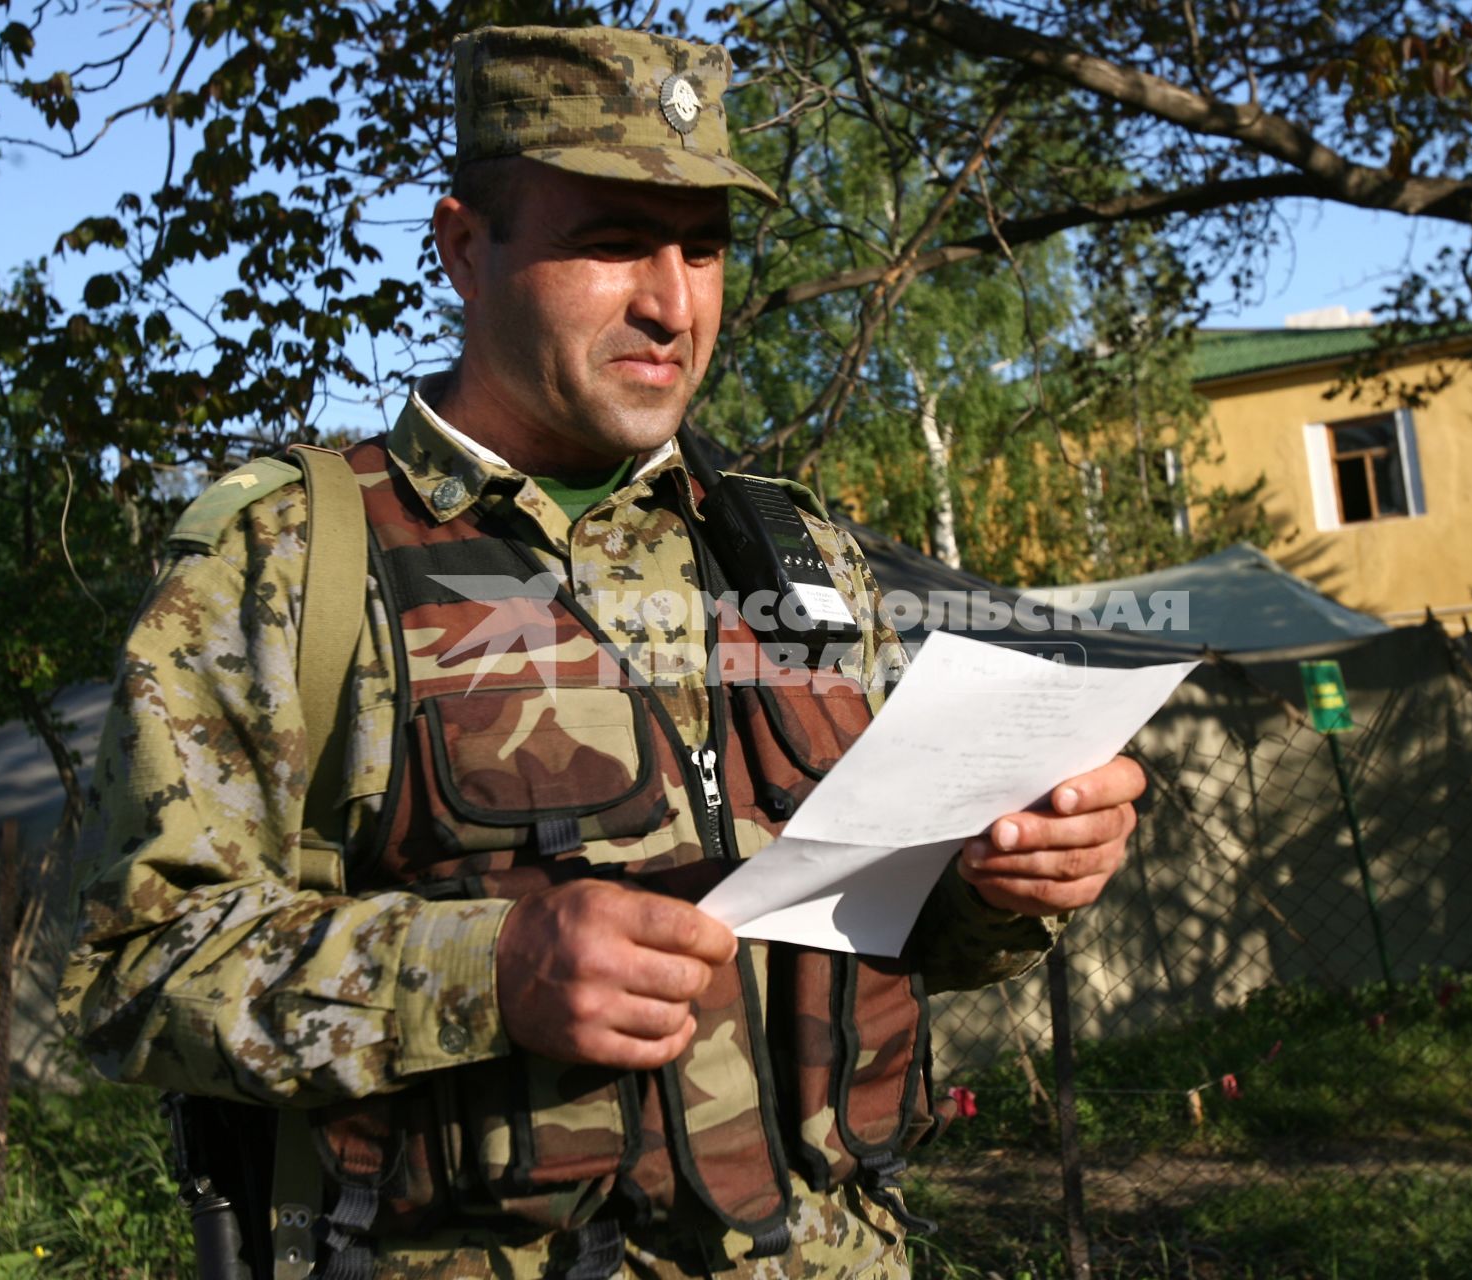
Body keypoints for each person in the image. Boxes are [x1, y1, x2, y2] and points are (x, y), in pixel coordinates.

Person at [60, 23, 1147, 1280]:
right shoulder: (291, 562)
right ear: (467, 248)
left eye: (705, 246)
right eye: (613, 240)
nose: (672, 302)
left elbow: (894, 934)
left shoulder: (793, 551)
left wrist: (1005, 882)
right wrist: (487, 968)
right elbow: (133, 972)